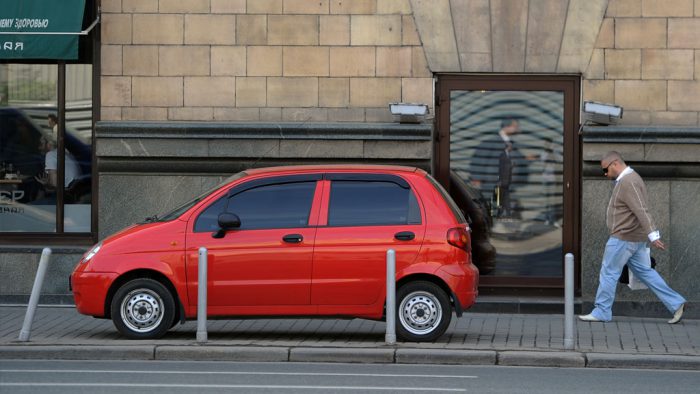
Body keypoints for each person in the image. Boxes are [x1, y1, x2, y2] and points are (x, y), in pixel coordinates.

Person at [579, 151, 686, 324]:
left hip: (623, 238)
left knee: (608, 273)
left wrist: (653, 235)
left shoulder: (629, 181)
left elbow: (641, 209)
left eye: (606, 170)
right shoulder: (628, 179)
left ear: (614, 164)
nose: (605, 175)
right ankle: (676, 303)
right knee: (646, 273)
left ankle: (602, 311)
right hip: (633, 239)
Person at [497, 141, 514, 217]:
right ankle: (505, 213)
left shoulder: (508, 155)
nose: (512, 148)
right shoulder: (502, 155)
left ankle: (505, 213)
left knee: (505, 196)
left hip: (507, 181)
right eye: (511, 146)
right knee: (503, 196)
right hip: (503, 180)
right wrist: (500, 180)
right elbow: (501, 168)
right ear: (508, 146)